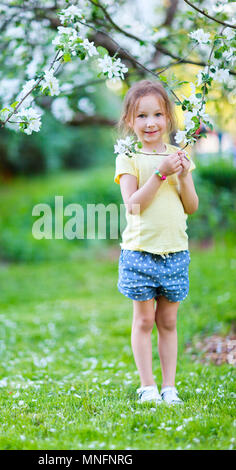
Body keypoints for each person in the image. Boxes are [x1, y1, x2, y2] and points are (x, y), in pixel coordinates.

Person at [114, 80, 199, 405]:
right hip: (140, 253)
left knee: (168, 321)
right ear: (129, 121)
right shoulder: (129, 157)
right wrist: (161, 174)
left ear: (168, 119)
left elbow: (190, 207)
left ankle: (169, 386)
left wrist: (184, 173)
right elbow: (134, 205)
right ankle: (147, 386)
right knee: (145, 320)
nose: (150, 123)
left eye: (158, 115)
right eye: (142, 116)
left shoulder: (179, 156)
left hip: (175, 251)